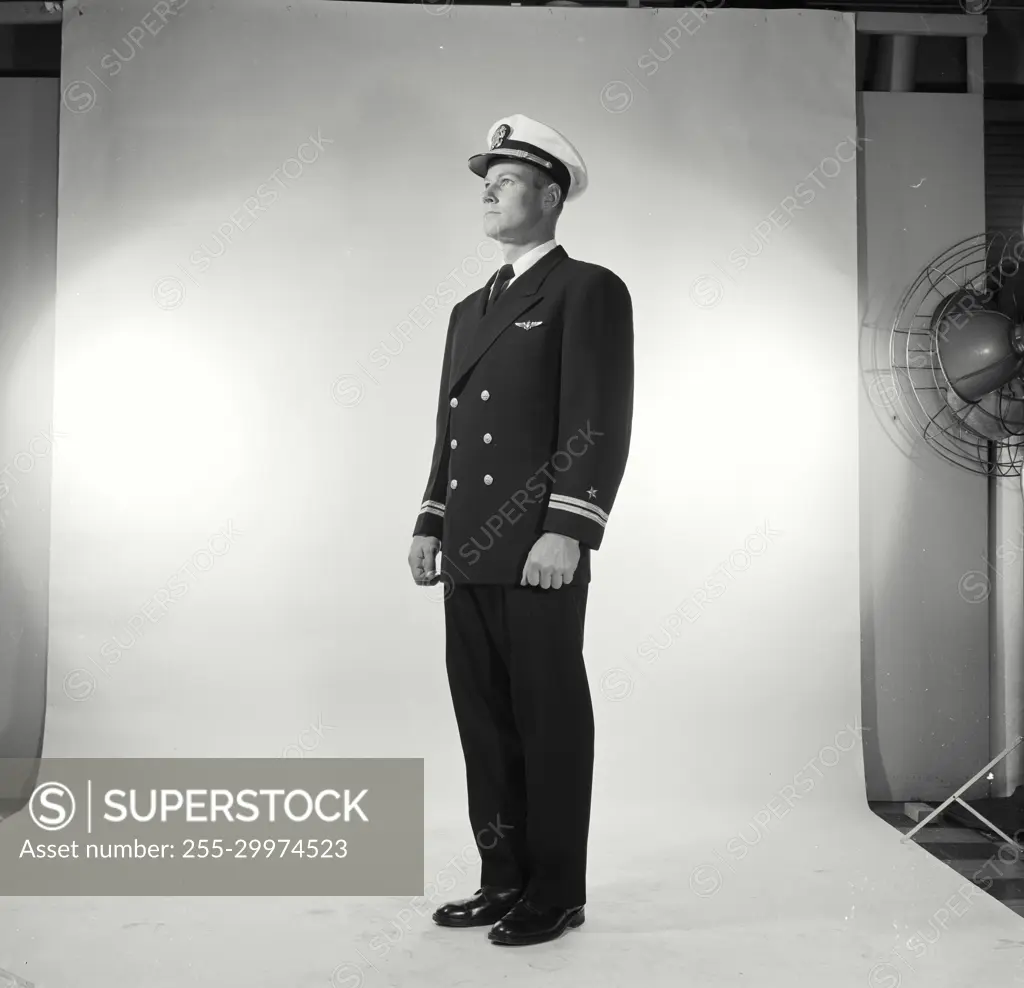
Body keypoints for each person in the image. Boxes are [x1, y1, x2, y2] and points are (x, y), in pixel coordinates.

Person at [407, 113, 634, 947]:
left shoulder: (588, 289)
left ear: (549, 193)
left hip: (539, 548)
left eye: (505, 180)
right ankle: (501, 879)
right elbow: (452, 428)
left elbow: (598, 417)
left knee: (546, 718)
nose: (489, 193)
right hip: (469, 548)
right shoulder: (471, 308)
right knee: (484, 722)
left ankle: (556, 890)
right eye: (485, 181)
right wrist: (431, 518)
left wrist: (568, 527)